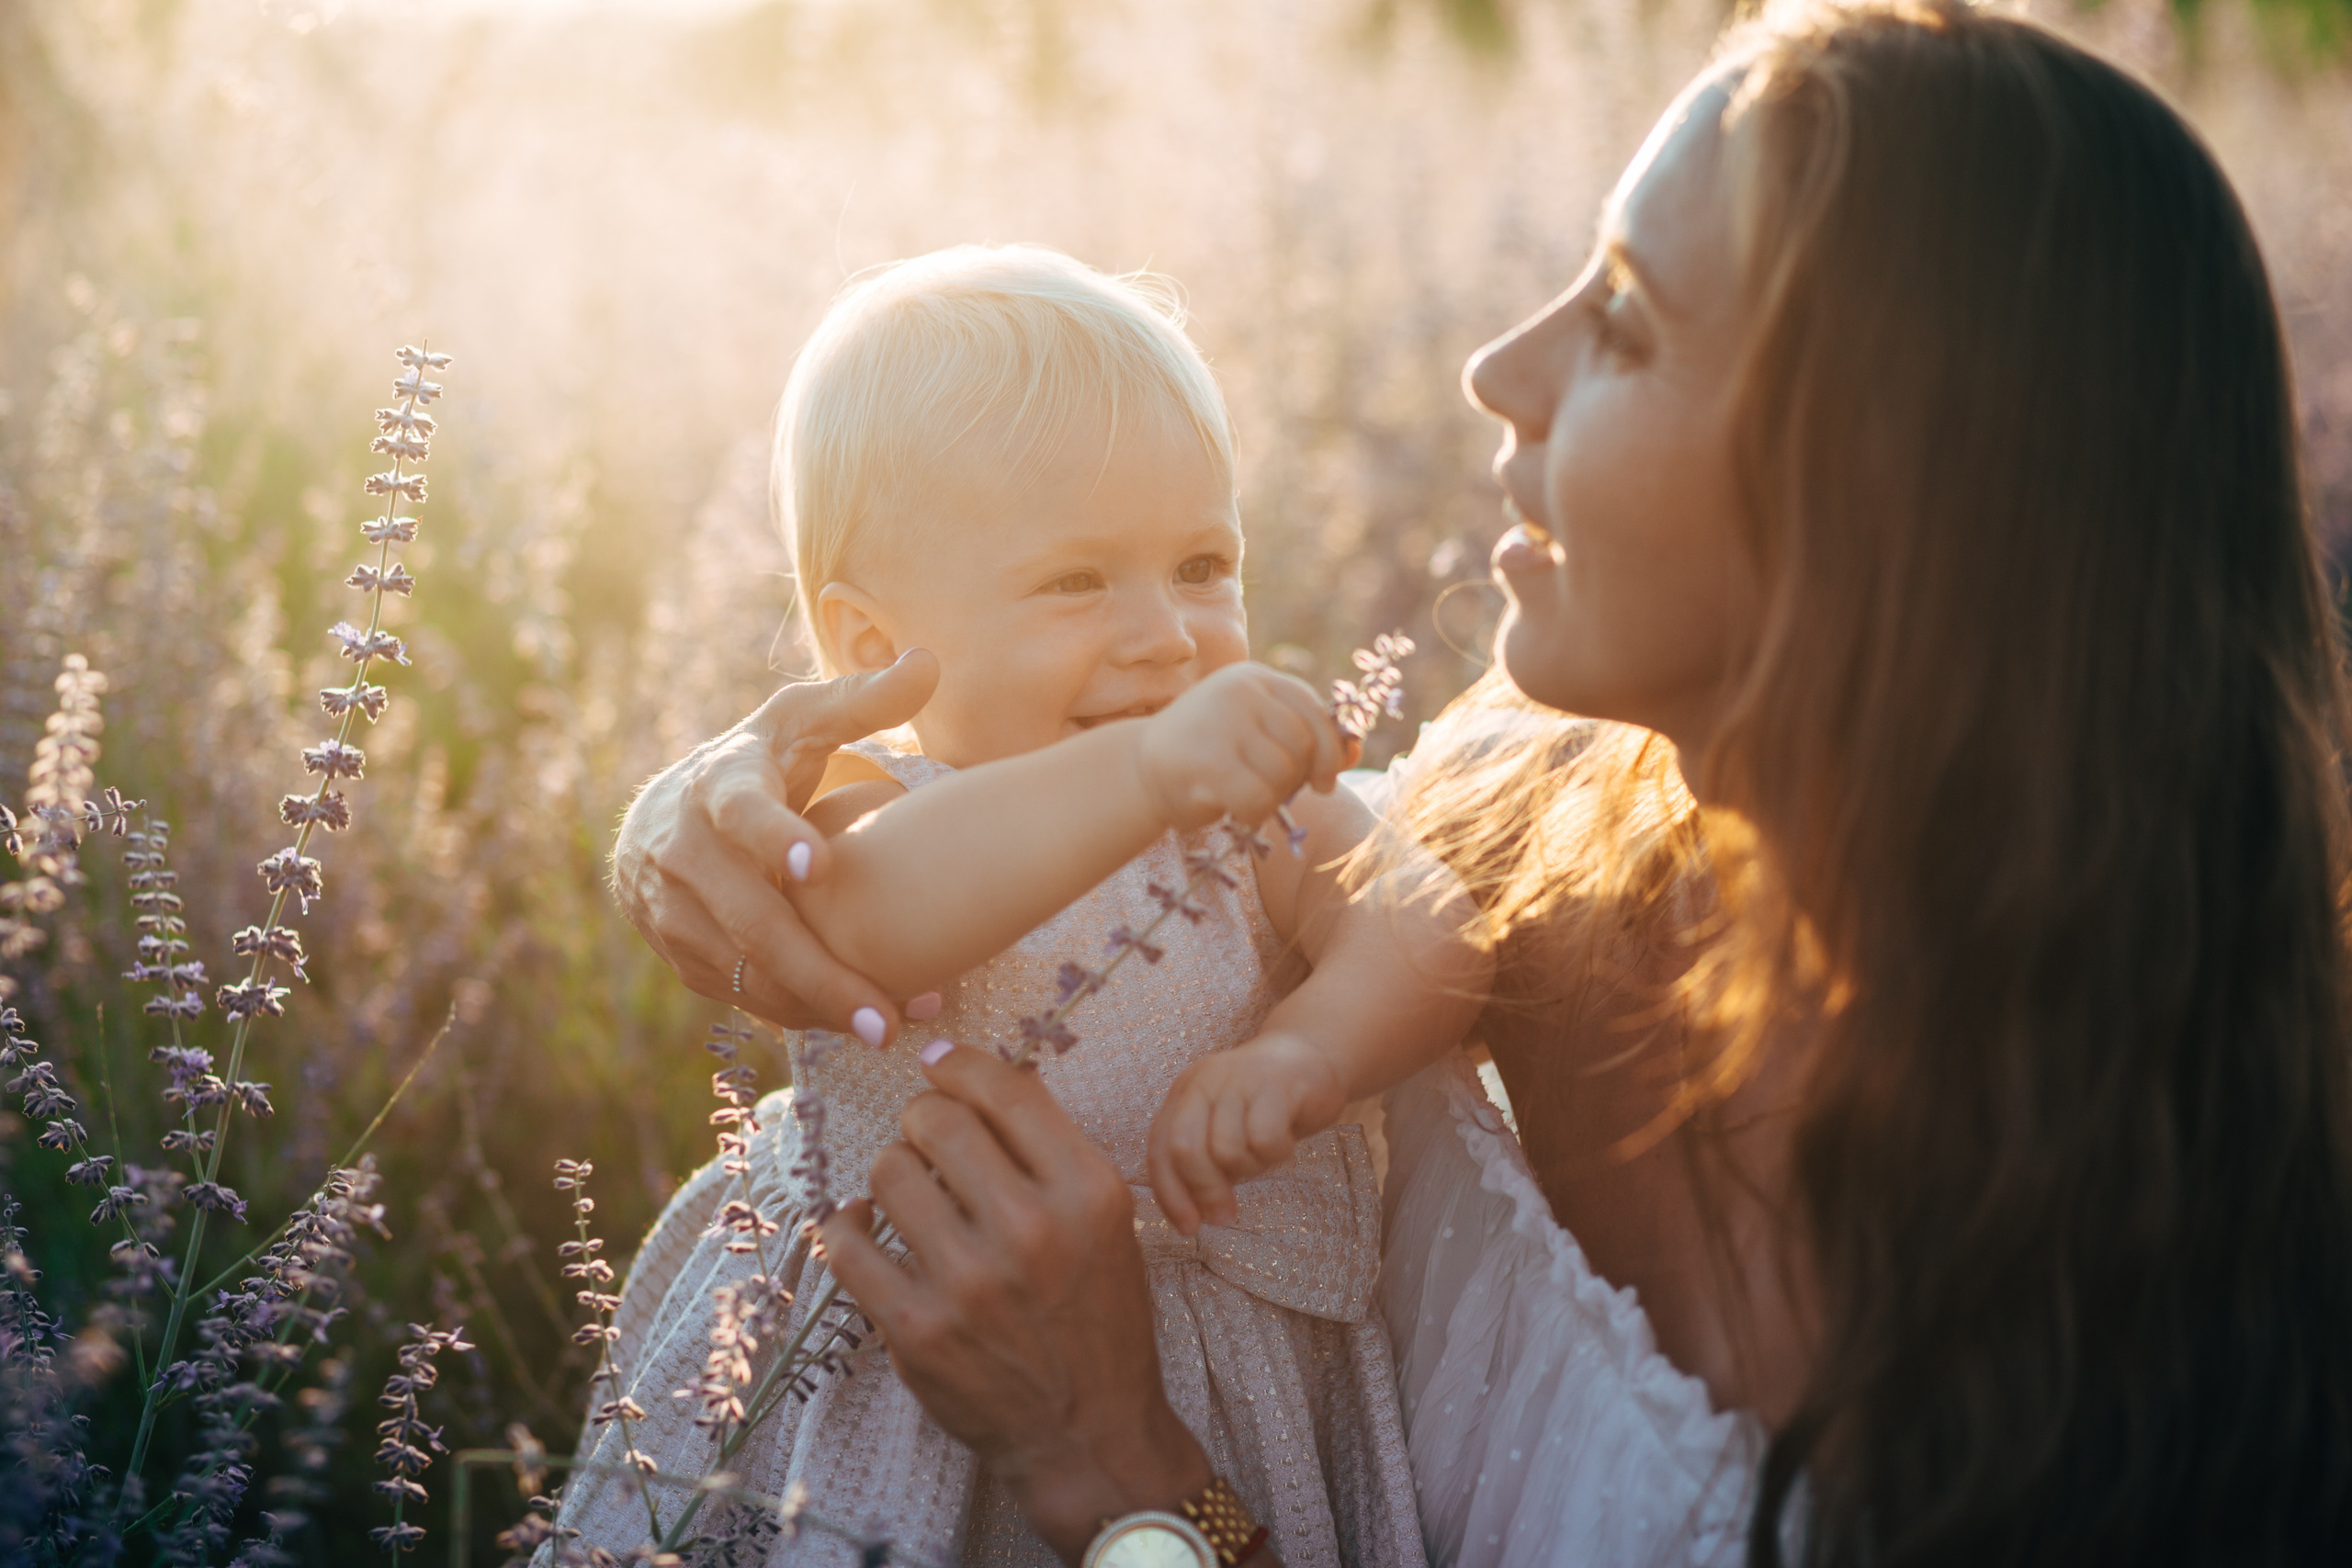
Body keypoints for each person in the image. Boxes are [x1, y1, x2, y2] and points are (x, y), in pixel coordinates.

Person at [613, 1, 2352, 1562]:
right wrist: (689, 825)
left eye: (1626, 321)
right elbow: (959, 835)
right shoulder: (1531, 812)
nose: (1492, 369)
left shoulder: (2175, 1300)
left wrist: (1116, 1464)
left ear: (1881, 484)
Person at [565, 245, 1486, 1566]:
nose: (1167, 634)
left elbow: (1424, 920)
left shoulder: (1243, 796)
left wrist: (1309, 1047)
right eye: (1076, 582)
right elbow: (870, 925)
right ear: (879, 651)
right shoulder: (884, 795)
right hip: (900, 1361)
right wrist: (1146, 770)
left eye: (1202, 565)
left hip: (1207, 1373)